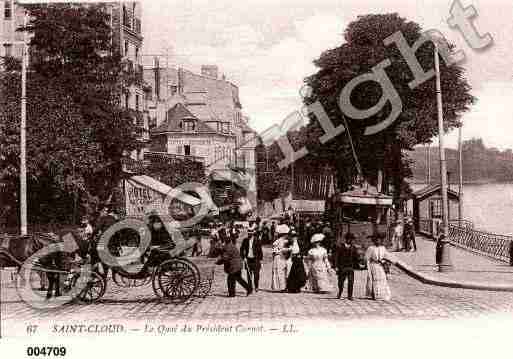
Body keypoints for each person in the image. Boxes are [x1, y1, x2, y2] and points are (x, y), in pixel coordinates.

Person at [365, 234, 392, 301]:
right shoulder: (371, 248)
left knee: (382, 278)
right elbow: (367, 258)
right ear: (374, 241)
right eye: (376, 240)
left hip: (380, 265)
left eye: (379, 240)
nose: (378, 241)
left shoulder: (383, 248)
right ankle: (374, 294)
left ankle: (382, 294)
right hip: (373, 265)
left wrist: (386, 262)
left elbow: (386, 256)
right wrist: (368, 267)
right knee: (374, 279)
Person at [334, 232, 360, 300]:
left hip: (350, 267)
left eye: (352, 239)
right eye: (350, 239)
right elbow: (336, 257)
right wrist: (336, 266)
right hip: (342, 267)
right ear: (346, 239)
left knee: (351, 281)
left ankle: (350, 295)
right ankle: (340, 292)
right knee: (341, 281)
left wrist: (358, 265)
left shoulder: (353, 247)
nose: (351, 241)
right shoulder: (340, 247)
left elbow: (356, 258)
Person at [240, 227, 263, 292]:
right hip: (248, 260)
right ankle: (250, 288)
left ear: (253, 233)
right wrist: (243, 257)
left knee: (256, 275)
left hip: (255, 260)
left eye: (251, 233)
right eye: (248, 233)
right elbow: (241, 249)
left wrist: (260, 260)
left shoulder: (257, 240)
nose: (249, 234)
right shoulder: (245, 240)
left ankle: (256, 286)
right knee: (249, 275)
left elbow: (260, 251)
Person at [271, 224, 292, 291]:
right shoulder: (277, 241)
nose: (287, 235)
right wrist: (281, 250)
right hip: (278, 257)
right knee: (279, 272)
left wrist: (287, 250)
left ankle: (284, 286)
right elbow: (274, 251)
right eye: (285, 234)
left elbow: (289, 249)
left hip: (284, 258)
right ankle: (279, 287)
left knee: (284, 272)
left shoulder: (287, 241)